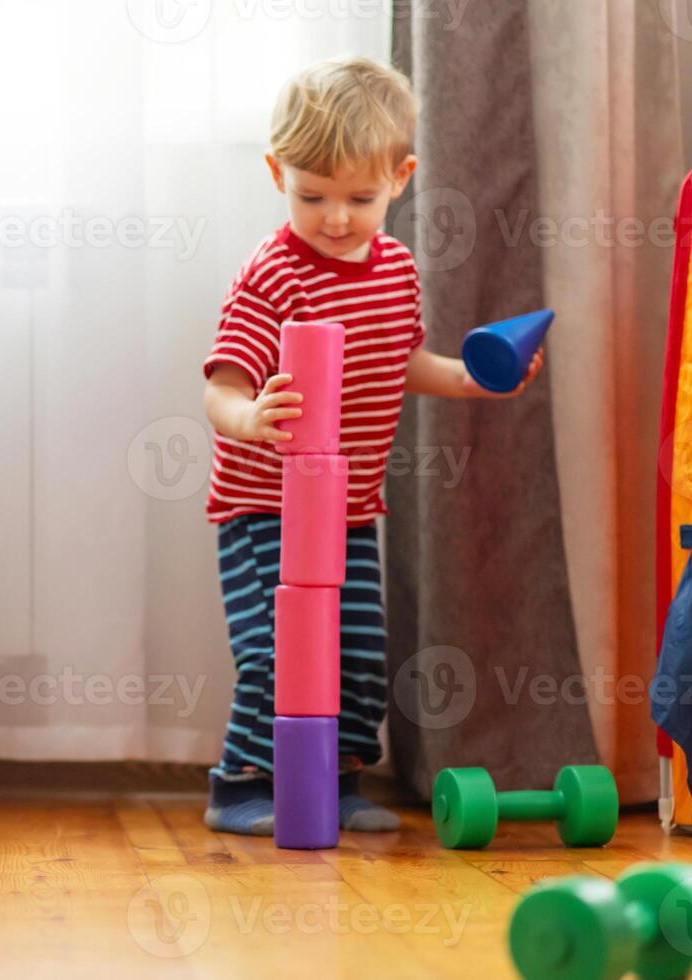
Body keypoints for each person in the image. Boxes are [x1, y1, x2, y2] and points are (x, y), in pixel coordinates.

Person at [201, 57, 544, 835]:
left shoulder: (392, 267)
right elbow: (220, 384)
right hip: (265, 508)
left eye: (359, 197)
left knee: (355, 655)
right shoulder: (273, 275)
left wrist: (470, 380)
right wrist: (249, 416)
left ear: (401, 177)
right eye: (310, 194)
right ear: (275, 173)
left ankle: (337, 780)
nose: (333, 218)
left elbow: (400, 359)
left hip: (349, 508)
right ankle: (240, 785)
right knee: (278, 652)